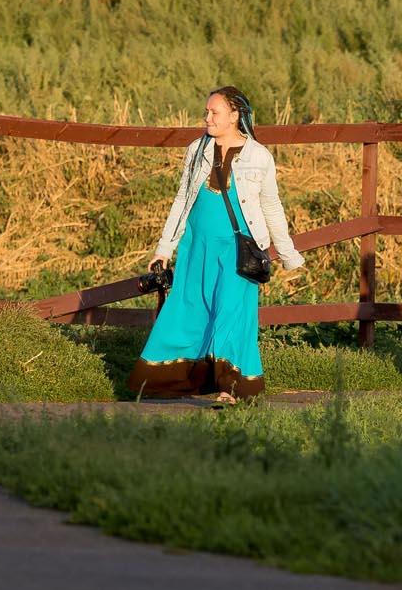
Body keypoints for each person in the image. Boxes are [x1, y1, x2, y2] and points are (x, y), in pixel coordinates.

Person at [130, 86, 303, 404]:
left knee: (231, 313)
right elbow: (182, 200)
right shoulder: (197, 149)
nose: (207, 117)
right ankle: (170, 381)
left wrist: (287, 252)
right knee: (189, 310)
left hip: (239, 250)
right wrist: (164, 248)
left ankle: (230, 388)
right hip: (198, 246)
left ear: (235, 116)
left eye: (214, 112)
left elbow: (271, 205)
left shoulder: (259, 156)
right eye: (206, 112)